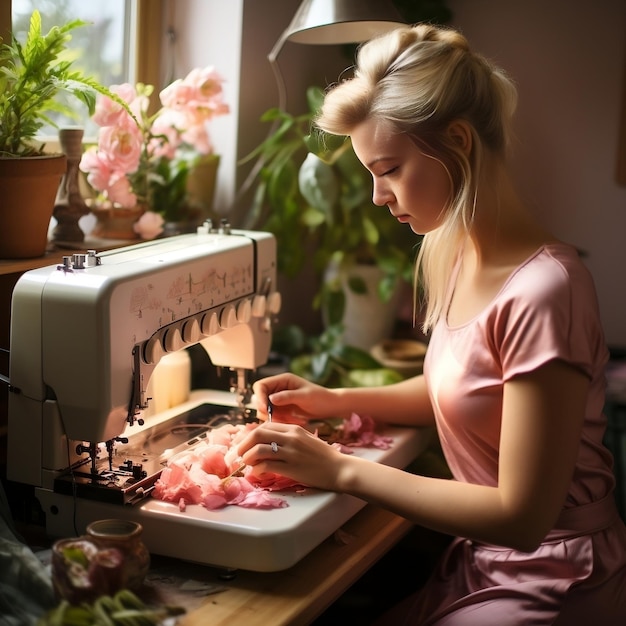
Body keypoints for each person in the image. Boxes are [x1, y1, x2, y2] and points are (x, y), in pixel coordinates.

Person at [236, 23, 626, 625]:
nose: (376, 196)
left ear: (459, 142)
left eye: (387, 169)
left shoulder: (547, 291)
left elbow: (522, 516)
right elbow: (464, 388)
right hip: (488, 561)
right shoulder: (456, 254)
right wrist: (333, 398)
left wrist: (340, 469)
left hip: (555, 574)